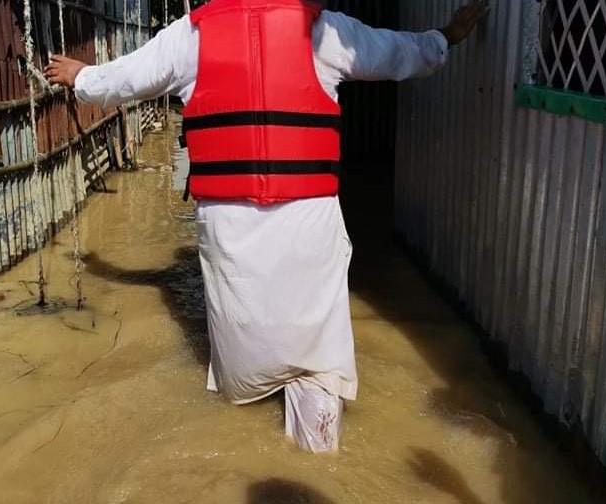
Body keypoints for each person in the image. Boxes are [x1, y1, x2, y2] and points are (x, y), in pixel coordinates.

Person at [45, 0, 489, 453]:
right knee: (317, 350)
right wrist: (445, 37)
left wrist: (81, 77)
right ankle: (317, 453)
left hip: (230, 223)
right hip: (308, 217)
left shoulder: (189, 36)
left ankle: (249, 429)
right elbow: (398, 53)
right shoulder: (323, 31)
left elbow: (123, 79)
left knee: (244, 345)